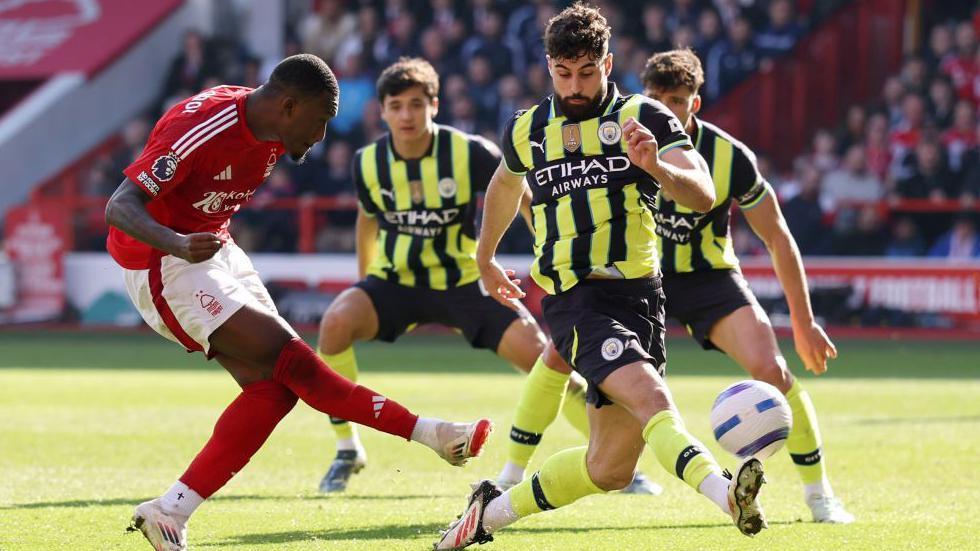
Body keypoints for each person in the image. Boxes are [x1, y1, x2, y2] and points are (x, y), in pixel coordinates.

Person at [104, 54, 492, 551]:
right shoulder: (203, 129)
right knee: (295, 364)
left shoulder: (274, 128)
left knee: (274, 390)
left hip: (212, 248)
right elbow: (119, 205)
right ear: (288, 106)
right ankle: (433, 433)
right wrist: (176, 243)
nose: (323, 134)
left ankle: (170, 511)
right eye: (320, 119)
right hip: (163, 261)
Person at [435, 6, 767, 549]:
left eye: (587, 72)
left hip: (642, 298)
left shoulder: (646, 116)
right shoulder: (528, 127)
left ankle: (488, 514)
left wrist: (656, 165)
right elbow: (504, 184)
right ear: (549, 66)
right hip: (576, 298)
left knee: (609, 467)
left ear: (608, 64)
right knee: (653, 399)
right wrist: (485, 257)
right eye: (564, 73)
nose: (575, 86)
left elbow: (704, 193)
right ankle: (726, 494)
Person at [313, 57, 657, 495]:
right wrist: (366, 281)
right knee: (335, 323)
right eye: (396, 106)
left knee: (545, 356)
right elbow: (367, 219)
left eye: (416, 104)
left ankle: (611, 457)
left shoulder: (469, 151)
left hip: (465, 282)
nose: (406, 115)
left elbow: (522, 194)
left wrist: (549, 247)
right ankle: (347, 448)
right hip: (396, 283)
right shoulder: (367, 162)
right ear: (381, 111)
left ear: (434, 105)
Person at [642, 49, 854, 523]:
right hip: (640, 276)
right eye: (657, 99)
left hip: (710, 280)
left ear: (695, 103)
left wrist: (803, 322)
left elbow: (777, 236)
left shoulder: (730, 156)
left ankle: (820, 495)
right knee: (561, 360)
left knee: (774, 372)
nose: (667, 110)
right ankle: (514, 475)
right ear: (644, 98)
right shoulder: (620, 144)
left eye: (678, 101)